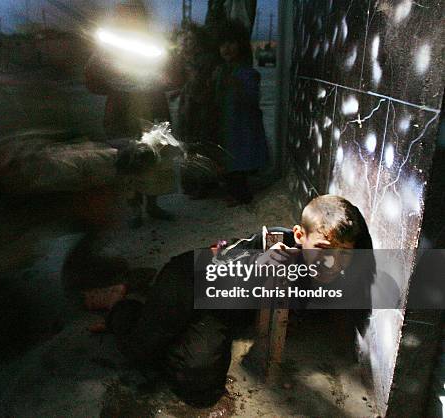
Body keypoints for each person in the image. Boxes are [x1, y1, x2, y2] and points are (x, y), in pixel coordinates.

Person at [83, 195, 372, 405]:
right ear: (299, 234)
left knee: (202, 388)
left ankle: (153, 313)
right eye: (323, 248)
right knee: (137, 352)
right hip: (189, 282)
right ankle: (120, 305)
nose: (332, 262)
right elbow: (218, 259)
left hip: (218, 312)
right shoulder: (273, 244)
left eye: (344, 253)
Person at [84, 0, 174, 226]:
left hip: (152, 114)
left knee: (155, 161)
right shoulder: (109, 46)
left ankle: (153, 205)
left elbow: (174, 75)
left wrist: (166, 64)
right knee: (127, 164)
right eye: (126, 16)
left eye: (136, 15)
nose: (131, 20)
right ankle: (135, 210)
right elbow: (93, 81)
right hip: (121, 116)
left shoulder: (155, 43)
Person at [213, 23, 268, 205]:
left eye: (231, 43)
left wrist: (237, 86)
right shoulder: (221, 70)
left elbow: (252, 99)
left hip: (242, 123)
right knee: (229, 158)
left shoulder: (246, 72)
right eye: (223, 44)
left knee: (239, 160)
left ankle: (240, 194)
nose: (226, 49)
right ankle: (233, 190)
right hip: (227, 122)